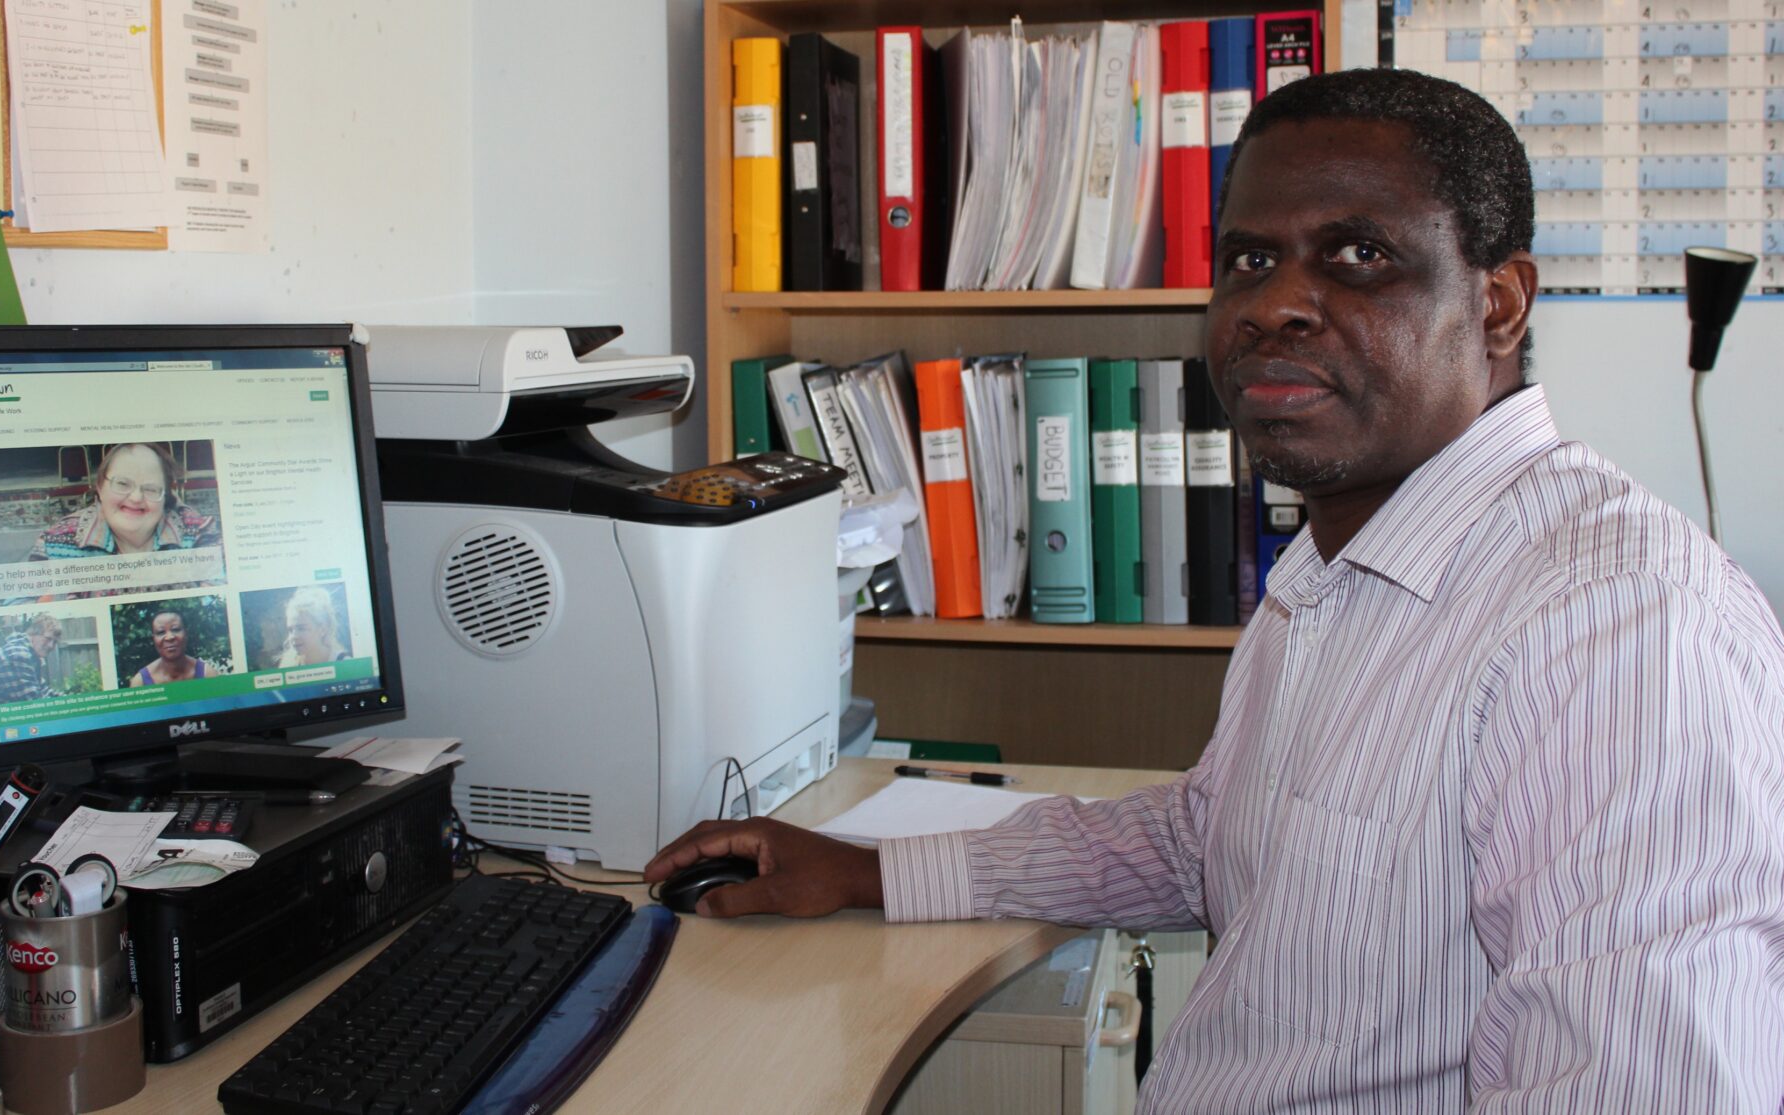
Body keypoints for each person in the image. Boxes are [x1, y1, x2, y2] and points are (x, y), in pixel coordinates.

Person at [646, 69, 1784, 1110]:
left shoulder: (1617, 629)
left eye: (1358, 255)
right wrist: (868, 870)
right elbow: (1212, 839)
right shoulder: (1332, 567)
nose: (1275, 304)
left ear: (1499, 304)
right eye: (1247, 260)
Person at [30, 442, 219, 560]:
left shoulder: (199, 535)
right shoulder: (54, 544)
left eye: (151, 488)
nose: (136, 498)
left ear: (166, 496)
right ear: (99, 487)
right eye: (122, 484)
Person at [0, 613, 63, 706]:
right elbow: (32, 703)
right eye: (48, 639)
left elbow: (43, 690)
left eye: (55, 642)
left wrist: (67, 699)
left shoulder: (30, 655)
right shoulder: (18, 655)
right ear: (34, 633)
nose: (51, 645)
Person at [128, 610, 221, 686]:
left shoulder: (207, 675)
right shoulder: (140, 682)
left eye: (175, 629)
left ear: (186, 634)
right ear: (153, 639)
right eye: (161, 632)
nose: (169, 637)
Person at [277, 586, 347, 667]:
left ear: (322, 629)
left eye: (301, 628)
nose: (294, 636)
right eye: (290, 630)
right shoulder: (287, 664)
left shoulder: (345, 664)